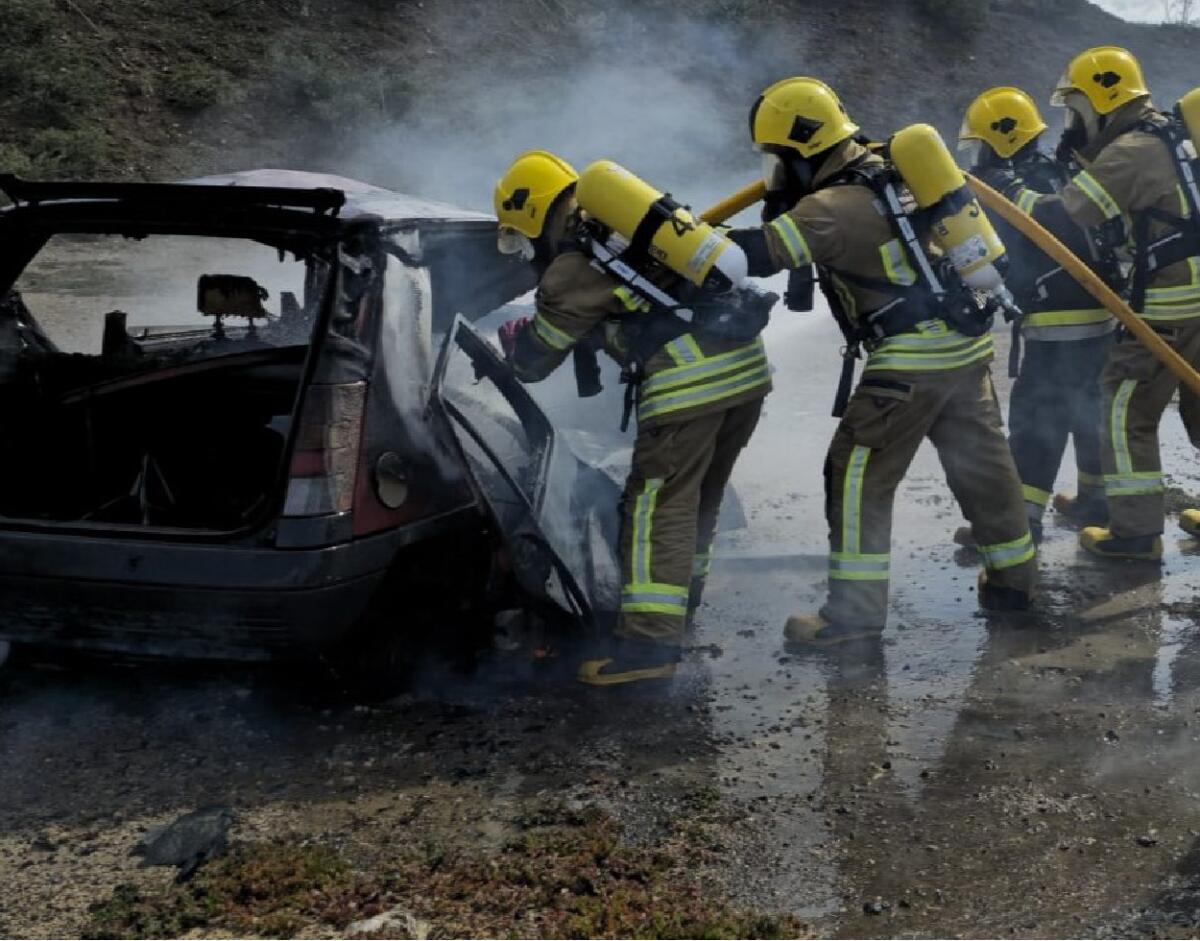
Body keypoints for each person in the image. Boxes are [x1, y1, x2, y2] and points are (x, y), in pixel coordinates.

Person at [725, 77, 1037, 647]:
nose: (774, 170)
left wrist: (667, 238)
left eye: (777, 158)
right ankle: (1015, 584)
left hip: (910, 360)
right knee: (983, 467)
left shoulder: (828, 208)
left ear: (799, 150)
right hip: (965, 343)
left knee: (855, 476)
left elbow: (751, 257)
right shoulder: (895, 168)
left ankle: (851, 620)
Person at [492, 150, 772, 685]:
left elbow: (532, 362)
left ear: (529, 219)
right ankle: (677, 612)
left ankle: (647, 649)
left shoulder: (570, 269)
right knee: (698, 501)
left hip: (688, 388)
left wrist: (518, 341)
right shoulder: (633, 231)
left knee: (654, 510)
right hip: (747, 376)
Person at [1027, 46, 1200, 560]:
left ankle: (1135, 534)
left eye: (1076, 112)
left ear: (1103, 100)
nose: (1073, 122)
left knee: (1126, 411)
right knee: (1197, 400)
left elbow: (1079, 209)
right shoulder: (1174, 135)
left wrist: (1057, 176)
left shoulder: (1132, 149)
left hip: (1172, 301)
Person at [957, 86, 1117, 541]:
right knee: (1089, 410)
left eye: (981, 145)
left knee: (1036, 418)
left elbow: (1028, 231)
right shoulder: (1056, 168)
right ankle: (1095, 502)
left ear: (1001, 138)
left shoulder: (1012, 186)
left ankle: (1020, 522)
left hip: (1057, 324)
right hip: (1098, 318)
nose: (978, 156)